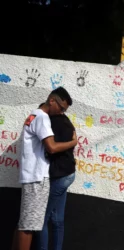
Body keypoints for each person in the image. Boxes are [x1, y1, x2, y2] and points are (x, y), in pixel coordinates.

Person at [13, 87, 77, 250]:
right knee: (29, 226)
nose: (62, 113)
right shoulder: (42, 118)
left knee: (26, 223)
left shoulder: (34, 115)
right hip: (36, 178)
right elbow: (52, 147)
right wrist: (73, 142)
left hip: (33, 176)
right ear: (52, 101)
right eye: (61, 108)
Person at [35, 100, 76, 250]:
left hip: (60, 176)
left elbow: (51, 148)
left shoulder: (51, 122)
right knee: (57, 220)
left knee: (42, 220)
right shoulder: (66, 121)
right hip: (68, 173)